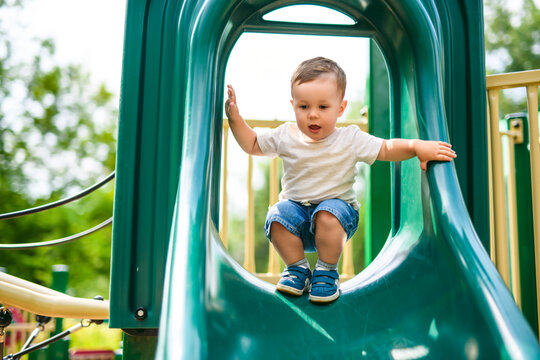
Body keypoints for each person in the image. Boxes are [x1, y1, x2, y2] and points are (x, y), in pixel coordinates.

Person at [224, 56, 456, 303]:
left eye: (323, 107)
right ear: (293, 106)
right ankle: (297, 269)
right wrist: (236, 119)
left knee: (328, 213)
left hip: (337, 217)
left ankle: (326, 271)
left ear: (340, 108)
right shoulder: (285, 135)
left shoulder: (350, 138)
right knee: (277, 216)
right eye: (304, 107)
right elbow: (252, 144)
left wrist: (416, 146)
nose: (313, 115)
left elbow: (386, 148)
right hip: (298, 219)